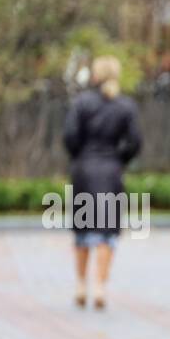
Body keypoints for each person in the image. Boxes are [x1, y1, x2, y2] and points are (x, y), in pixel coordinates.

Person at [63, 55, 141, 310]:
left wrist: (80, 156)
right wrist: (118, 159)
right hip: (111, 172)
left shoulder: (81, 103)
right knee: (106, 233)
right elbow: (135, 142)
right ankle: (100, 286)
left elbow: (70, 137)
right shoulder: (125, 106)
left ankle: (80, 285)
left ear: (95, 76)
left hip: (84, 172)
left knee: (83, 231)